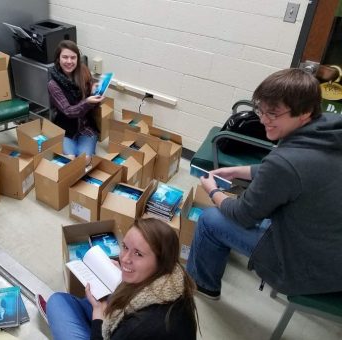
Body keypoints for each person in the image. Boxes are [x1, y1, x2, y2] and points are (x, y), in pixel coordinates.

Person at [186, 68, 342, 299]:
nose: (262, 120)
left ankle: (202, 284)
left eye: (273, 114)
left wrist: (214, 191)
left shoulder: (284, 162)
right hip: (330, 246)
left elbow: (242, 215)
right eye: (260, 110)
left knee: (210, 220)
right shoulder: (330, 126)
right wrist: (241, 171)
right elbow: (297, 173)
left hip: (308, 266)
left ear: (305, 112)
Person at [41, 218, 198, 340]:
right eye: (125, 247)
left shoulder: (140, 326)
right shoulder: (173, 279)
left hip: (124, 332)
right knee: (63, 300)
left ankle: (66, 326)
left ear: (161, 262)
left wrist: (98, 316)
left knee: (56, 303)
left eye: (138, 254)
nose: (124, 259)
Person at [48, 40, 103, 165]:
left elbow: (93, 107)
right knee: (70, 161)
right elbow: (68, 111)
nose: (69, 61)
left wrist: (95, 94)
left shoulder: (83, 72)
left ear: (78, 59)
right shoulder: (53, 84)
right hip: (65, 129)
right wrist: (87, 101)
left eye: (73, 57)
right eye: (65, 57)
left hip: (86, 128)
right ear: (58, 59)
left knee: (84, 160)